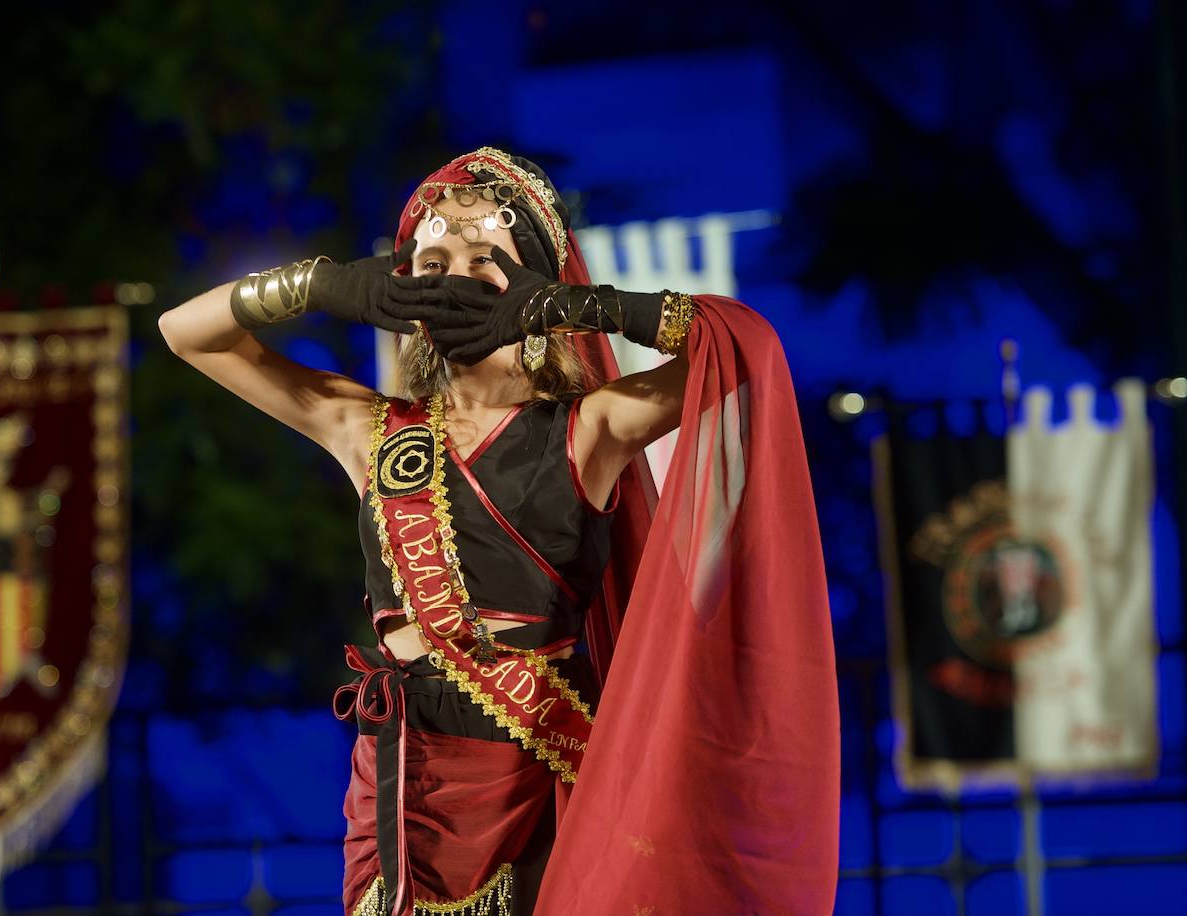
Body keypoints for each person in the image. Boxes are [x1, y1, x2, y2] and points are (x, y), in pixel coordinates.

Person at [158, 147, 840, 916]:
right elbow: (185, 332)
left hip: (538, 767)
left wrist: (578, 306)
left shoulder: (590, 429)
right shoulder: (372, 431)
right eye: (434, 257)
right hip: (402, 773)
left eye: (487, 258)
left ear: (535, 282)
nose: (455, 273)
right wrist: (319, 283)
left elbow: (748, 349)